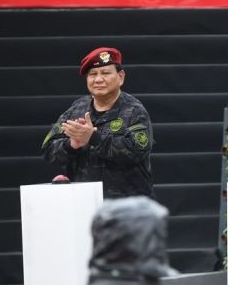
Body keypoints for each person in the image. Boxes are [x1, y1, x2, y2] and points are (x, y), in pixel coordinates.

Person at [42, 47, 155, 198]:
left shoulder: (134, 111)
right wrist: (72, 144)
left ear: (120, 77)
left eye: (106, 73)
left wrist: (93, 138)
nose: (98, 79)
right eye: (92, 74)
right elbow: (49, 150)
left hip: (127, 207)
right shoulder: (76, 110)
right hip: (84, 203)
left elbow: (137, 151)